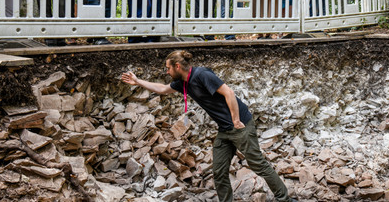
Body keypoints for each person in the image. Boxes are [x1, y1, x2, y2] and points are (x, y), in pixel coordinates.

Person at [121, 50, 297, 202]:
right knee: (219, 171)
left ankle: (285, 199)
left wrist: (236, 120)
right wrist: (138, 81)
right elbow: (162, 89)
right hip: (225, 131)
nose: (166, 72)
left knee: (259, 165)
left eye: (167, 68)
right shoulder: (183, 82)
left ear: (177, 66)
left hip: (240, 126)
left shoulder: (201, 75)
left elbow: (229, 93)